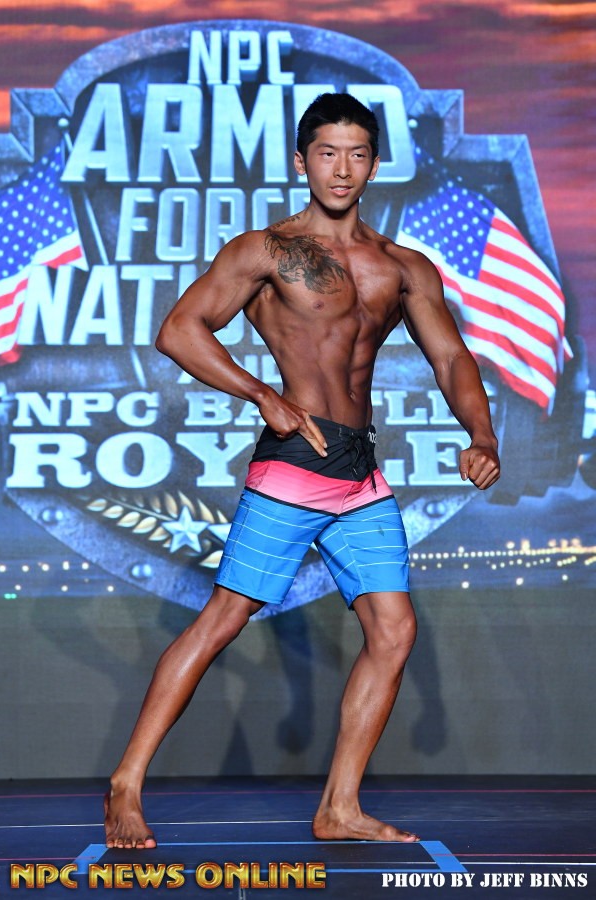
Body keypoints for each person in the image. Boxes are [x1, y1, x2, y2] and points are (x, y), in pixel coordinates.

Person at [104, 93, 500, 849]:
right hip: (293, 465)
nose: (341, 168)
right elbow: (179, 329)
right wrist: (263, 395)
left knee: (394, 629)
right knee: (225, 618)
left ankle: (339, 808)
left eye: (357, 153)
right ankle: (126, 781)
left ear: (375, 164)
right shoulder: (267, 250)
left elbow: (451, 357)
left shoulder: (404, 267)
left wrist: (480, 433)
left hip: (360, 472)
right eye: (327, 153)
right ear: (301, 161)